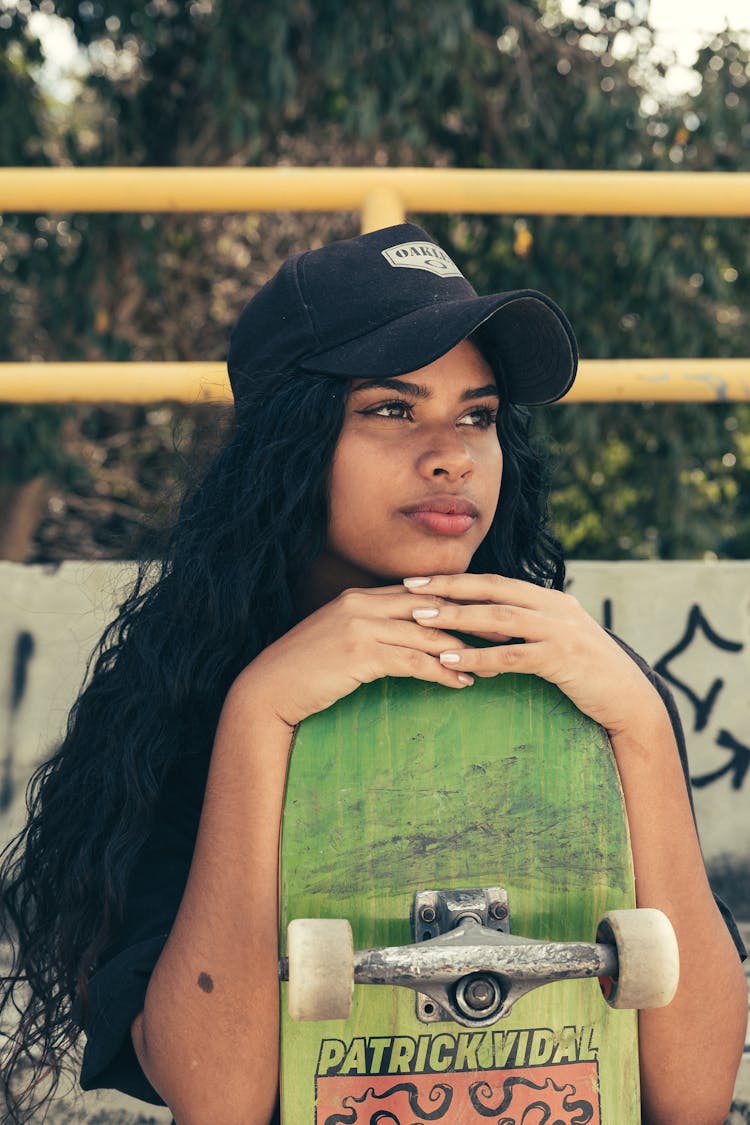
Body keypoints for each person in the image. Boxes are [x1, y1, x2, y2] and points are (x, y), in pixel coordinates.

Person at [0, 223, 746, 1125]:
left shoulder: (581, 678)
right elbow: (219, 1100)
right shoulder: (191, 700)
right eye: (393, 409)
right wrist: (261, 716)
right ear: (290, 443)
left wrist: (639, 722)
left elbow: (697, 1098)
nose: (452, 454)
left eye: (478, 414)